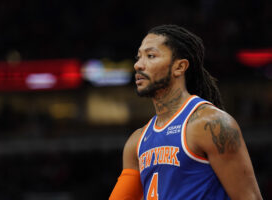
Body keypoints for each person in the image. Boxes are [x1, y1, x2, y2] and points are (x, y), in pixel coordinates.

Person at [109, 24, 262, 200]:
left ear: (179, 67)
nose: (138, 65)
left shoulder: (211, 125)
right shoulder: (136, 141)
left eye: (150, 56)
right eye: (138, 57)